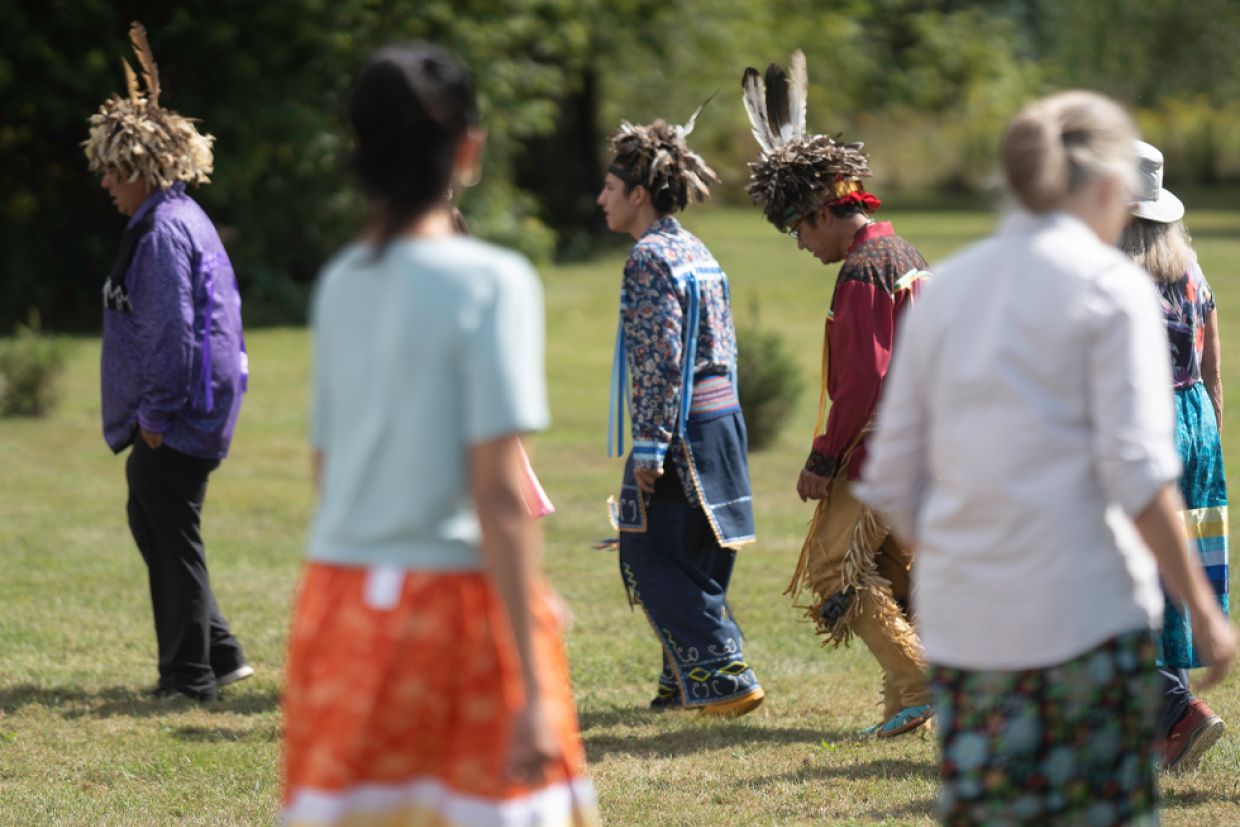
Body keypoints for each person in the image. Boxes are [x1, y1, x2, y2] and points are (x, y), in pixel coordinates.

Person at [857, 90, 1236, 826]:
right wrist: (1202, 610)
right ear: (1102, 186)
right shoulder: (1113, 293)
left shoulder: (947, 290)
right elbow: (1137, 475)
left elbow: (896, 475)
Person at [281, 44, 597, 826]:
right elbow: (498, 492)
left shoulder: (340, 282)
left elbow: (328, 467)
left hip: (339, 604)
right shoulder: (492, 281)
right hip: (454, 612)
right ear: (468, 147)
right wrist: (530, 678)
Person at [740, 50, 932, 737]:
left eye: (798, 228)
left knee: (833, 569)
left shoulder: (863, 272)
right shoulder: (905, 255)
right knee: (891, 565)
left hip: (878, 452)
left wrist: (822, 459)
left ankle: (922, 681)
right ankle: (915, 695)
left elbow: (863, 381)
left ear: (824, 211)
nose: (800, 244)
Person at [84, 22, 251, 703]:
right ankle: (220, 651)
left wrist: (154, 416)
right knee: (154, 519)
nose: (104, 181)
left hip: (178, 412)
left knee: (169, 526)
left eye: (113, 168)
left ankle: (188, 676)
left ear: (142, 169)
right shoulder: (176, 218)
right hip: (190, 407)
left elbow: (172, 336)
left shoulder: (160, 232)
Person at [596, 103, 764, 716]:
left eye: (610, 188)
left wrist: (650, 447)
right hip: (720, 419)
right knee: (695, 548)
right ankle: (681, 680)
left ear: (638, 194)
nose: (600, 199)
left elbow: (660, 360)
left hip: (680, 427)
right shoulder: (695, 249)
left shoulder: (649, 258)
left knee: (647, 554)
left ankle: (722, 672)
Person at [1119, 140, 1229, 772]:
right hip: (1195, 421)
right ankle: (1164, 724)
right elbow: (1212, 371)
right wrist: (1206, 440)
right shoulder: (1191, 271)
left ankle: (1175, 710)